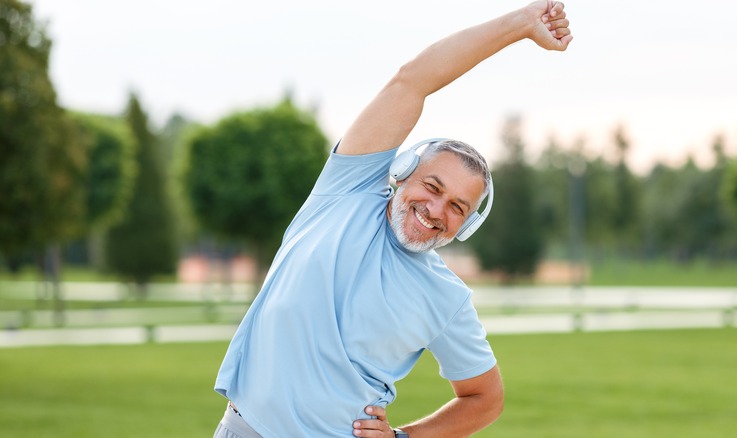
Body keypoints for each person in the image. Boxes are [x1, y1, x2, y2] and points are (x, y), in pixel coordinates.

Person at [213, 1, 573, 437]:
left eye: (458, 207)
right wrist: (519, 24)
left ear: (466, 226)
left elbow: (485, 398)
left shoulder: (446, 297)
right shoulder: (346, 190)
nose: (437, 210)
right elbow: (413, 80)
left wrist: (405, 437)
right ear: (401, 173)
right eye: (433, 187)